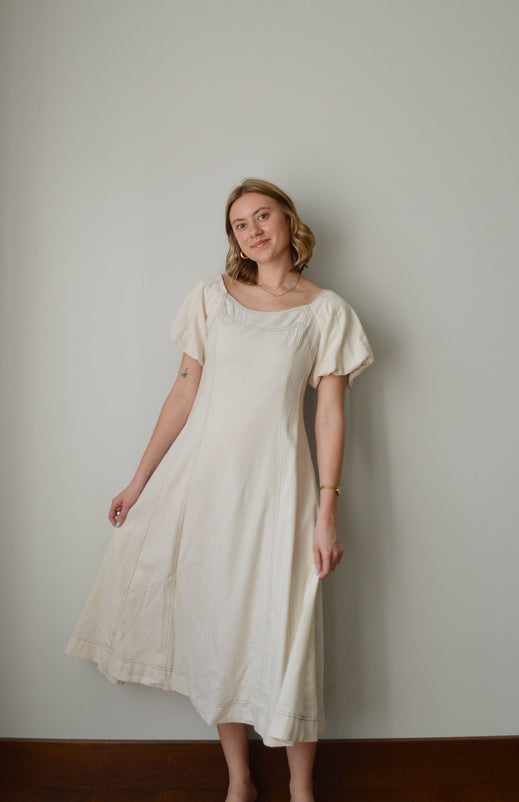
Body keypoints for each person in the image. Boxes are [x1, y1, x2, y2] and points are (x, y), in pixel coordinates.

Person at [65, 178, 374, 802]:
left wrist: (327, 510)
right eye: (240, 224)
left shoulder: (326, 312)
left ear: (288, 221)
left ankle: (302, 789)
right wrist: (138, 481)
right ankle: (239, 780)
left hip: (279, 493)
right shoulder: (212, 298)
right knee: (218, 628)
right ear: (233, 237)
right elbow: (183, 392)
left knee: (289, 631)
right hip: (204, 489)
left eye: (263, 216)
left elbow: (329, 415)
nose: (253, 230)